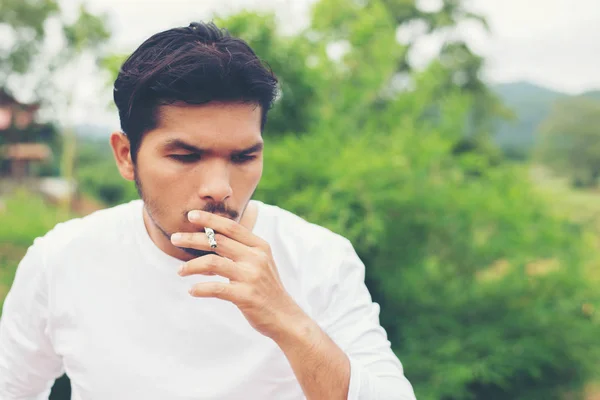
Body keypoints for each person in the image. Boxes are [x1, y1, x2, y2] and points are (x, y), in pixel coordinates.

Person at [0, 21, 416, 400]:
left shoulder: (320, 258)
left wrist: (287, 319)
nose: (219, 188)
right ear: (126, 156)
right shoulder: (61, 260)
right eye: (185, 156)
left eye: (243, 157)